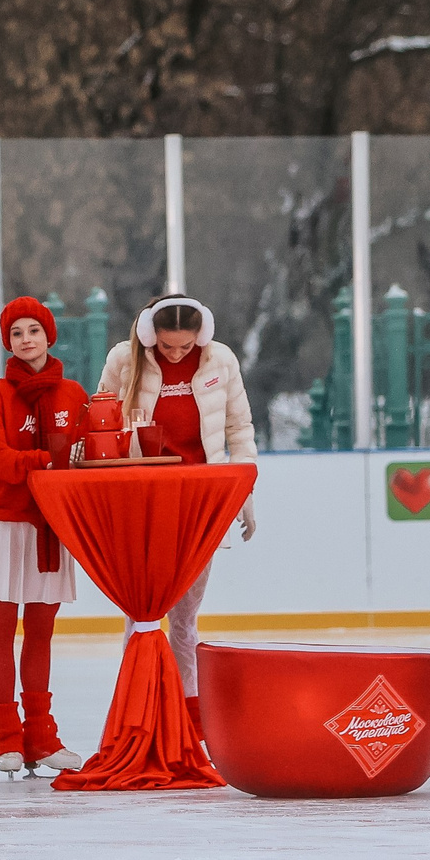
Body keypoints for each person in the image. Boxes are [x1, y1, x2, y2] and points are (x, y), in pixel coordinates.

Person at [95, 293, 259, 697]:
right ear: (150, 335)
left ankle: (187, 709)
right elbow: (101, 422)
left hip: (199, 500)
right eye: (166, 345)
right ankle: (139, 706)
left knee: (185, 622)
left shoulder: (220, 359)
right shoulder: (124, 358)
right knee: (141, 615)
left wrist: (244, 493)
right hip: (143, 498)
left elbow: (240, 430)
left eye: (185, 346)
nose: (175, 353)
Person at [0, 296, 89, 778]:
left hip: (51, 526)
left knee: (41, 631)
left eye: (33, 330)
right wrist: (43, 463)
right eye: (17, 333)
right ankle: (8, 738)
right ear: (9, 342)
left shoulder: (73, 394)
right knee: (3, 626)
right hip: (8, 523)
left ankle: (42, 736)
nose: (26, 340)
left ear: (48, 335)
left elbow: (83, 457)